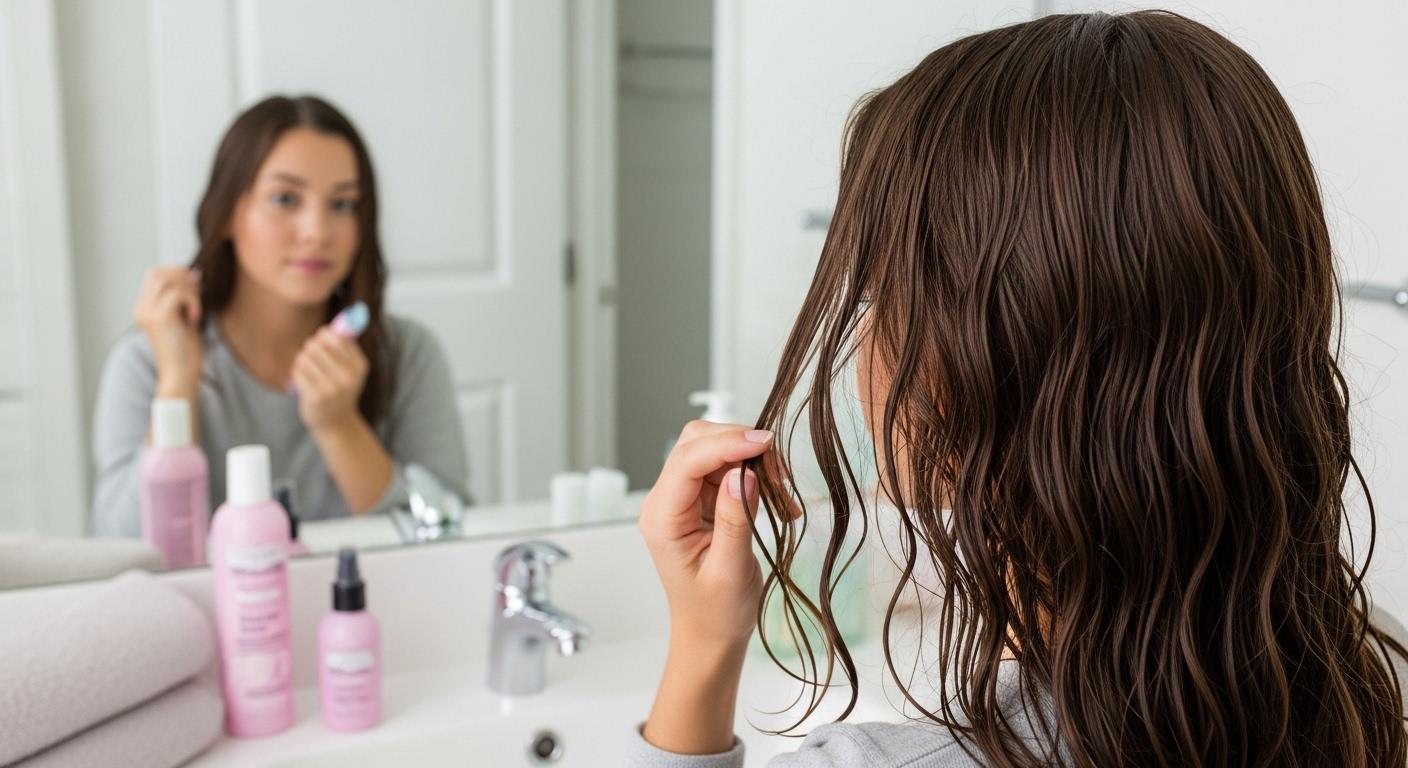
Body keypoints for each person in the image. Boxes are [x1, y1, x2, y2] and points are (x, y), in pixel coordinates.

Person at [629, 10, 1408, 767]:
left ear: (984, 362)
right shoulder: (1370, 679)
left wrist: (704, 645)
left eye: (877, 298)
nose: (863, 340)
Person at [92, 95, 468, 536]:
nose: (316, 232)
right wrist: (177, 382)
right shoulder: (146, 363)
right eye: (285, 198)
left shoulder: (407, 355)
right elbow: (123, 543)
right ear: (227, 213)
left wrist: (339, 426)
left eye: (343, 204)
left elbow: (449, 537)